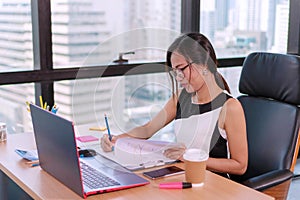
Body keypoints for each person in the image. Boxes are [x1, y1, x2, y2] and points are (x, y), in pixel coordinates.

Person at [101, 32, 248, 178]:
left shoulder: (230, 107)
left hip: (213, 184)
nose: (178, 78)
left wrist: (188, 157)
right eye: (175, 71)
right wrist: (116, 139)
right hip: (183, 176)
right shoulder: (180, 97)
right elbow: (147, 129)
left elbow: (240, 165)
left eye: (182, 69)